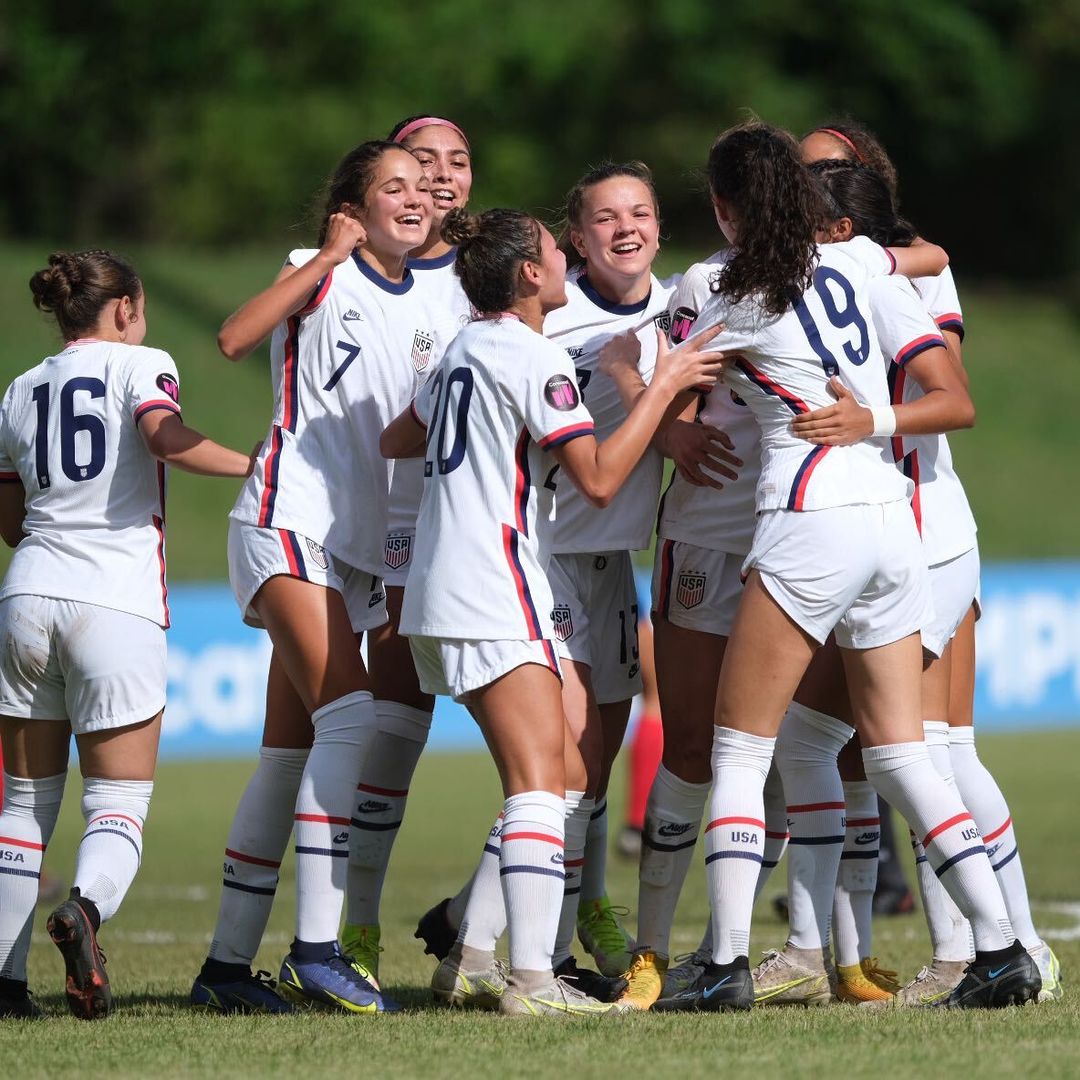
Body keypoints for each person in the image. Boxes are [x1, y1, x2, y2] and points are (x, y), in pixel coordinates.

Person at [636, 121, 1039, 1012]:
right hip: (895, 525)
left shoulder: (724, 294)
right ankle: (1001, 948)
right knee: (902, 753)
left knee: (742, 750)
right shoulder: (860, 266)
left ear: (722, 207)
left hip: (808, 517)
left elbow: (659, 377)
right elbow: (932, 303)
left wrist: (652, 400)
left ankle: (727, 964)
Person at [381, 205, 726, 1017]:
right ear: (531, 275)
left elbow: (402, 434)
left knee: (567, 771)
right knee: (543, 785)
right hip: (493, 584)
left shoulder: (466, 348)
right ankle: (533, 980)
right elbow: (602, 477)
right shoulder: (534, 357)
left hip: (441, 585)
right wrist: (663, 384)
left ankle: (469, 952)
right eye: (552, 250)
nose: (565, 261)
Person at [800, 124, 1062, 1004]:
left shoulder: (902, 270)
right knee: (927, 749)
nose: (803, 185)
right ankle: (1004, 943)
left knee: (914, 751)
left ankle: (978, 948)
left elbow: (945, 389)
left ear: (859, 189)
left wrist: (866, 420)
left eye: (822, 171)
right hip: (891, 523)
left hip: (919, 522)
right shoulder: (834, 272)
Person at [191, 140, 453, 1014]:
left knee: (287, 750)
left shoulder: (432, 298)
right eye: (394, 188)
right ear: (353, 205)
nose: (415, 198)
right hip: (286, 516)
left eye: (423, 188)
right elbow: (232, 338)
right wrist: (332, 256)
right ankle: (314, 950)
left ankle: (226, 969)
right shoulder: (316, 266)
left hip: (351, 548)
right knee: (352, 717)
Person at [0, 250, 251, 1019]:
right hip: (116, 601)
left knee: (21, 805)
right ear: (127, 307)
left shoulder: (19, 388)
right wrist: (257, 464)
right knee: (117, 802)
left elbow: (8, 514)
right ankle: (85, 911)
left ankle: (6, 984)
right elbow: (163, 437)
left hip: (27, 595)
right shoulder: (142, 361)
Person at [340, 114, 474, 982]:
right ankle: (351, 928)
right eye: (423, 160)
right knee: (395, 726)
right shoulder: (348, 274)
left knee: (558, 748)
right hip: (388, 535)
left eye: (459, 162)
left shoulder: (499, 271)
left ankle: (484, 924)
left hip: (504, 541)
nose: (442, 176)